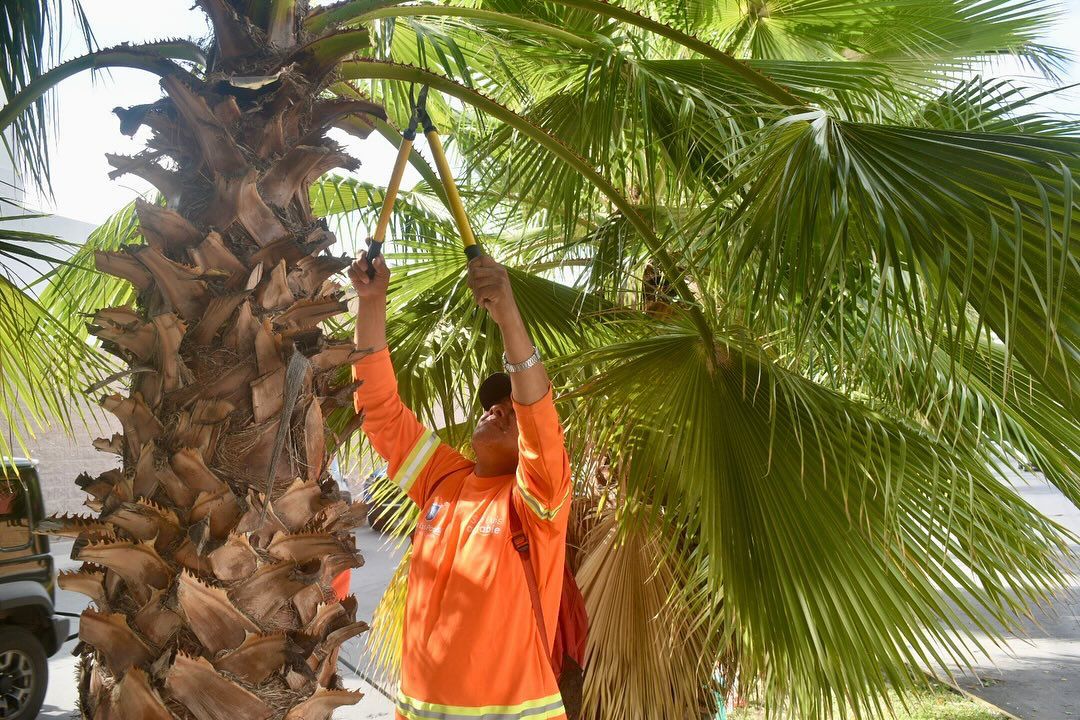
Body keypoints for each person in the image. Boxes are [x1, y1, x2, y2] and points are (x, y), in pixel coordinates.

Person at [350, 250, 571, 720]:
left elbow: (539, 416)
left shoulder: (536, 501)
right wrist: (371, 303)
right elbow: (380, 409)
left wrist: (507, 312)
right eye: (493, 405)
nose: (498, 410)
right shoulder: (442, 478)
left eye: (511, 410)